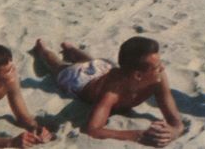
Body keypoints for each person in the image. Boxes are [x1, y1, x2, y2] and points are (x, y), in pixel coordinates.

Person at [32, 37, 183, 146]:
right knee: (58, 67)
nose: (162, 68)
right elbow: (92, 129)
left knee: (93, 62)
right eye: (157, 67)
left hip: (106, 68)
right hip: (80, 79)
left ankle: (70, 49)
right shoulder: (113, 91)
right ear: (138, 75)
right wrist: (138, 135)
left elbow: (175, 120)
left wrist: (174, 131)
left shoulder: (157, 77)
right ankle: (42, 50)